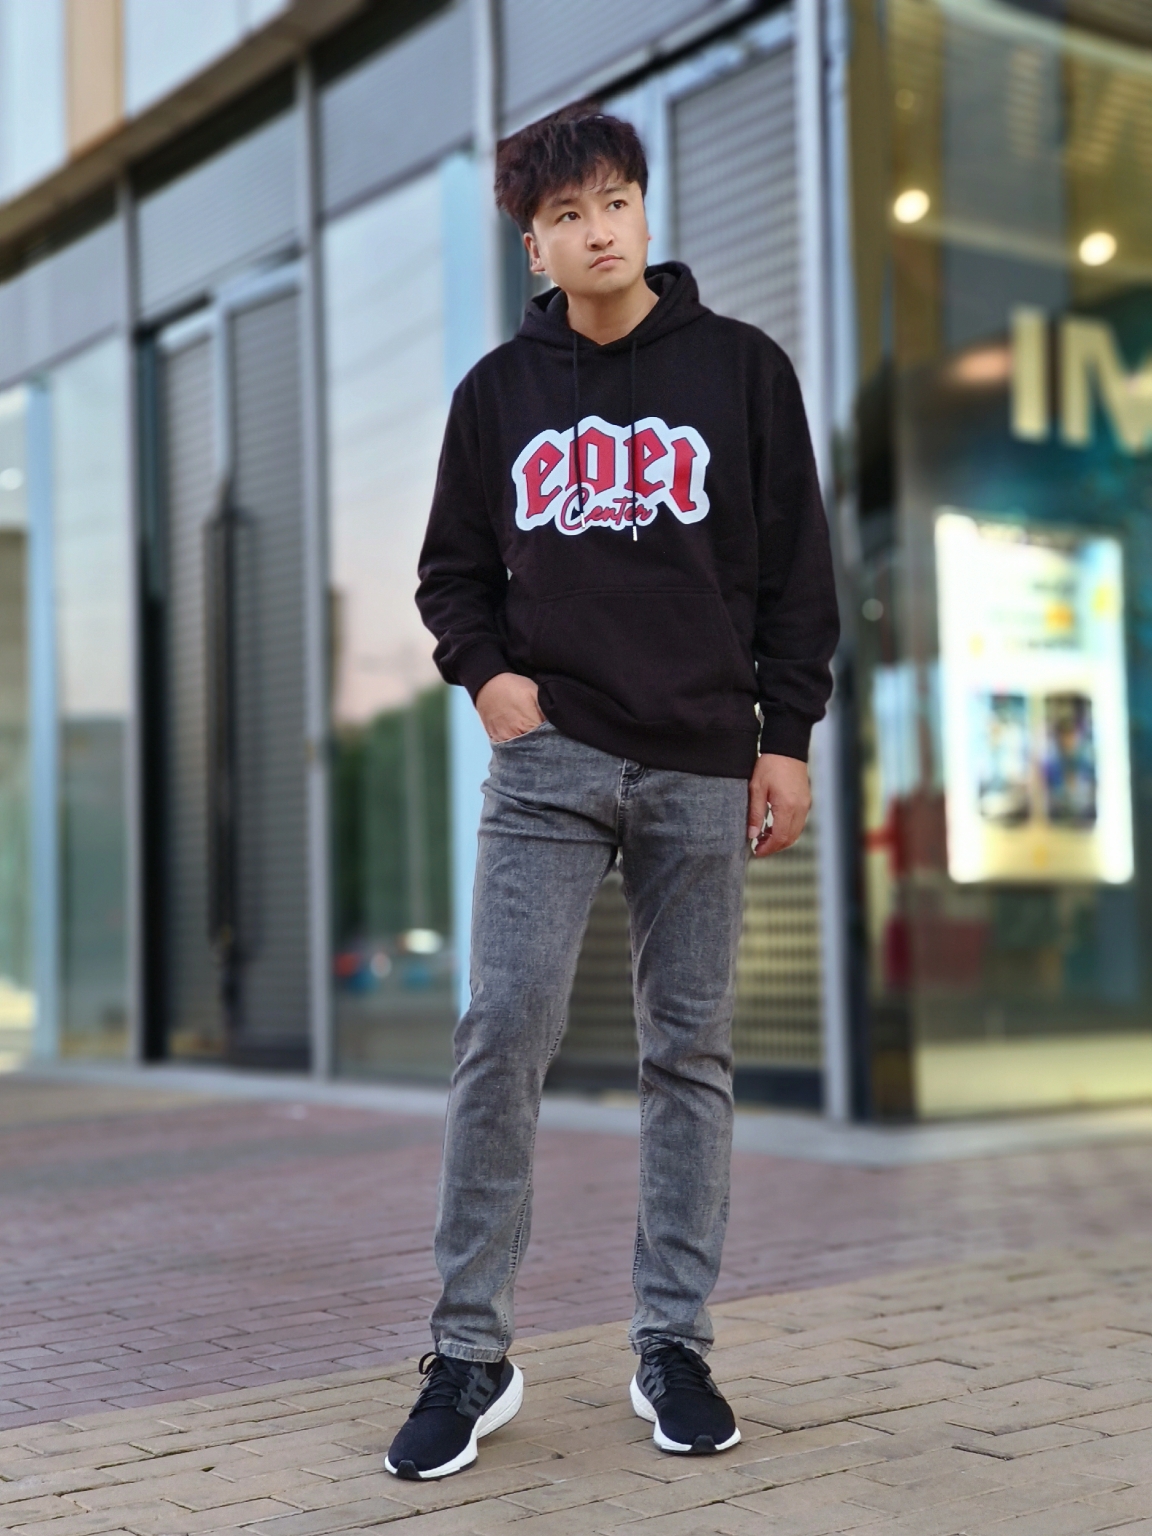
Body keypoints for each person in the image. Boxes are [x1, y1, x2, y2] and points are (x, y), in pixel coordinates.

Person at [385, 104, 839, 1481]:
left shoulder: (743, 371)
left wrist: (785, 736)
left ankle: (673, 1345)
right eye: (569, 214)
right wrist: (488, 681)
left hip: (703, 756)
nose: (601, 231)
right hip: (552, 761)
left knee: (688, 1054)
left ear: (645, 210)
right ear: (535, 243)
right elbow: (450, 573)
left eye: (618, 202)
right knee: (502, 1029)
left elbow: (797, 573)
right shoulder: (497, 395)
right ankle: (471, 1353)